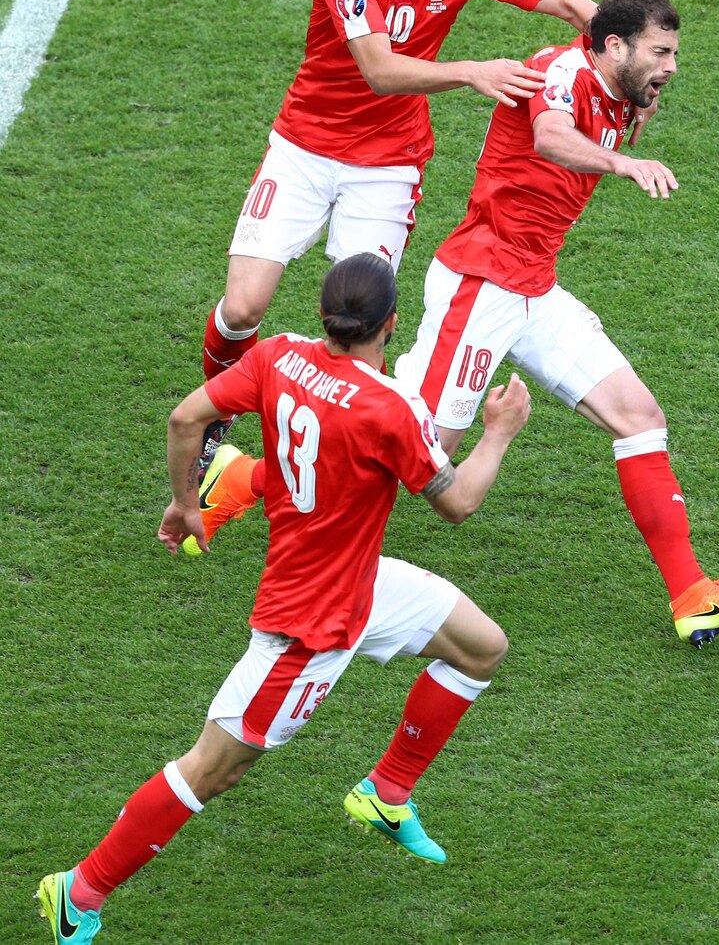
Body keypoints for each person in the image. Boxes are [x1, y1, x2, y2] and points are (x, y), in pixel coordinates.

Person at [36, 253, 531, 943]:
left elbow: (186, 419)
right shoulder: (390, 410)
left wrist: (187, 503)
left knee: (482, 646)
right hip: (310, 625)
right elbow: (461, 501)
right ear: (390, 324)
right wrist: (500, 429)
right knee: (213, 769)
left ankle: (386, 793)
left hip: (359, 576)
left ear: (326, 314)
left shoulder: (279, 355)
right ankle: (79, 890)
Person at [391, 0, 719, 648]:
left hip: (533, 290)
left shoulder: (620, 88)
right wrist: (623, 163)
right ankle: (246, 481)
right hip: (481, 284)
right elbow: (549, 137)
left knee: (640, 416)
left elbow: (614, 104)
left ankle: (692, 594)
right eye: (660, 53)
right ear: (614, 46)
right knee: (419, 455)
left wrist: (642, 106)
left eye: (674, 54)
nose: (671, 66)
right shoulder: (562, 74)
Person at [196, 0, 597, 470]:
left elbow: (571, 3)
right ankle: (214, 414)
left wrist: (626, 73)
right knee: (244, 305)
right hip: (304, 147)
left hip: (387, 167)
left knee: (362, 321)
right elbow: (378, 69)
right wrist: (470, 71)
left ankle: (343, 455)